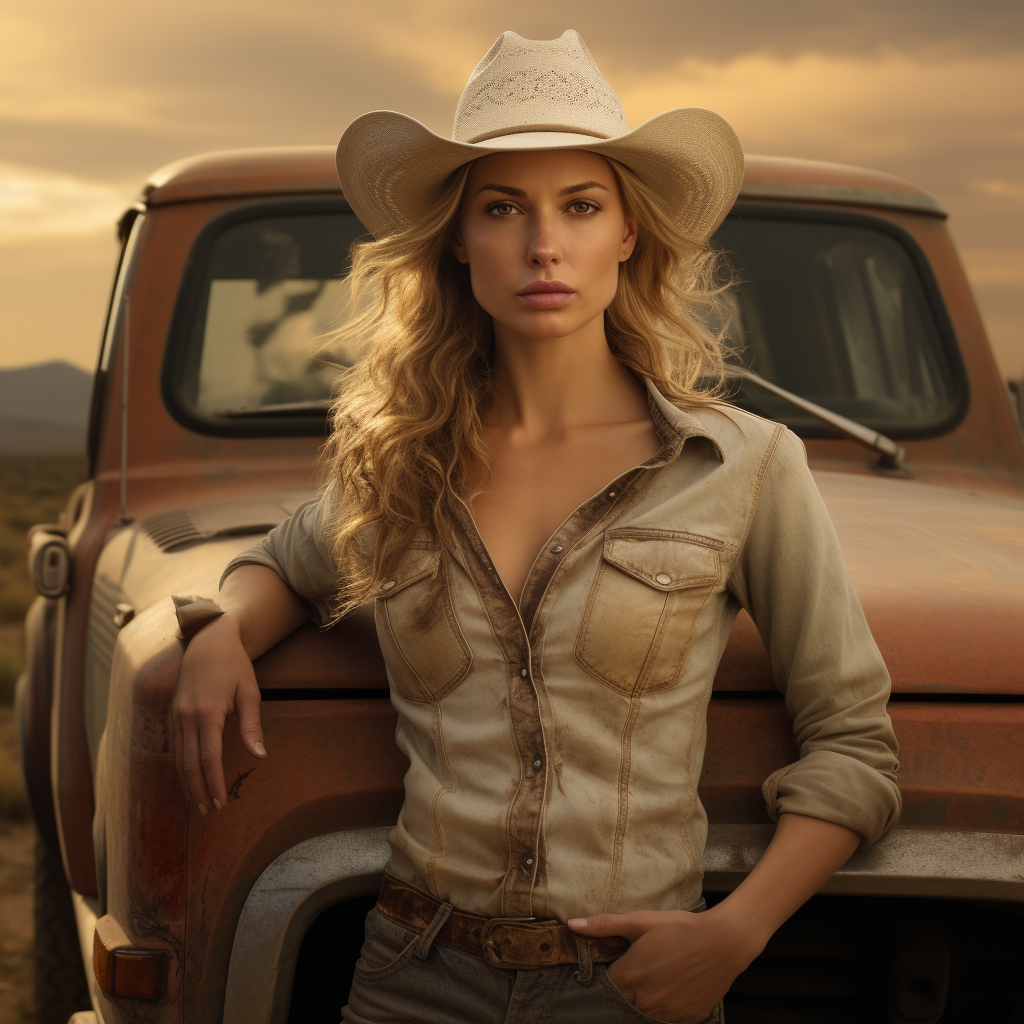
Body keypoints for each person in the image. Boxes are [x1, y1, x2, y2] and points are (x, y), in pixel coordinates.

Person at [170, 30, 901, 1024]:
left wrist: (734, 934)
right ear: (459, 239)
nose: (542, 245)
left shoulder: (742, 464)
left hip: (631, 987)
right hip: (408, 974)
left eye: (580, 206)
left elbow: (854, 744)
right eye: (503, 208)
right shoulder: (402, 461)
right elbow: (283, 565)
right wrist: (224, 632)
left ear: (628, 234)